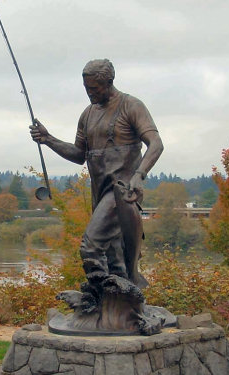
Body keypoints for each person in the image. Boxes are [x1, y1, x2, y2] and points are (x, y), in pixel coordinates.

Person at [30, 59, 163, 311]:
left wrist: (139, 175)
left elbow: (155, 144)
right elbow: (79, 154)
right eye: (86, 88)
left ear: (109, 83)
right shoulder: (87, 114)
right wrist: (48, 139)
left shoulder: (130, 106)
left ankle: (97, 300)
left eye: (95, 88)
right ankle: (123, 309)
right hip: (99, 192)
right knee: (115, 260)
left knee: (90, 246)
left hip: (122, 192)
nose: (90, 93)